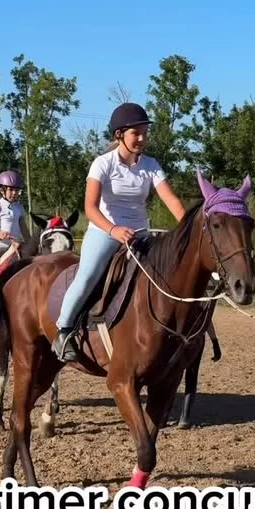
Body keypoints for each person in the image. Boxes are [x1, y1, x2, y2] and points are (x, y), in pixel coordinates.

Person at [52, 102, 186, 363]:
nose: (142, 138)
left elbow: (171, 200)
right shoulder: (102, 164)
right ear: (119, 134)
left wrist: (186, 227)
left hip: (141, 233)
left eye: (145, 133)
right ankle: (63, 330)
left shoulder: (151, 165)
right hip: (104, 231)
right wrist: (113, 229)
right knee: (88, 276)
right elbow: (90, 208)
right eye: (136, 133)